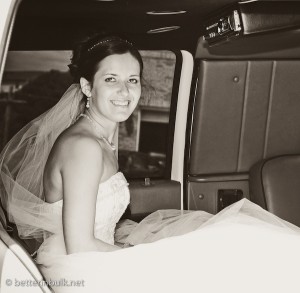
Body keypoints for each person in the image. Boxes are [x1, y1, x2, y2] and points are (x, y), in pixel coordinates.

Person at [1, 34, 300, 293]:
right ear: (88, 87)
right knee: (239, 252)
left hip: (94, 255)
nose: (125, 91)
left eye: (132, 80)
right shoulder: (83, 147)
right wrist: (141, 253)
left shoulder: (98, 137)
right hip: (83, 268)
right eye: (111, 80)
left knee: (241, 245)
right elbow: (81, 246)